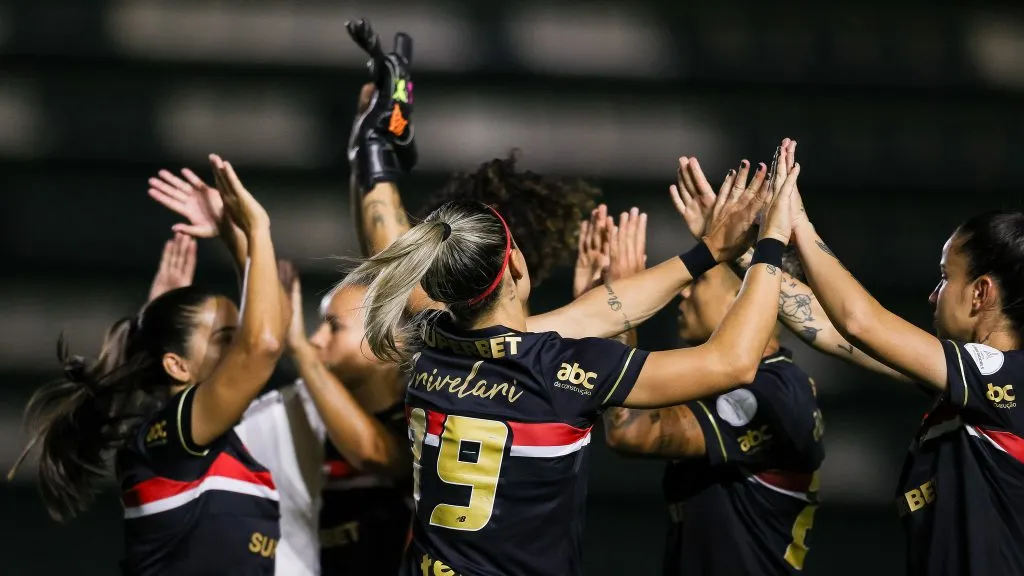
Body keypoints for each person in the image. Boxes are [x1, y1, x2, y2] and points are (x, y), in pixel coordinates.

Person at [341, 154, 802, 575]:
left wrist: (707, 254)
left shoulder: (433, 344)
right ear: (517, 265)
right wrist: (769, 242)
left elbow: (593, 313)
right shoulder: (562, 372)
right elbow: (732, 363)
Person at [11, 155, 290, 575]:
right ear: (177, 365)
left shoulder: (195, 438)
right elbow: (263, 344)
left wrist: (233, 236)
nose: (240, 347)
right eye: (224, 339)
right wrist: (255, 227)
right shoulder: (171, 440)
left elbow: (268, 332)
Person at [759, 142, 1024, 575]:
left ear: (981, 293)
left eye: (945, 278)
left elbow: (860, 322)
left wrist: (798, 223)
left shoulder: (1003, 379)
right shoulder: (963, 389)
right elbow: (832, 331)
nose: (933, 295)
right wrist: (747, 250)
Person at [603, 151, 825, 575]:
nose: (684, 293)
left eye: (701, 279)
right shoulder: (729, 380)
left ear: (746, 295)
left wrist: (621, 313)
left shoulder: (776, 393)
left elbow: (632, 433)